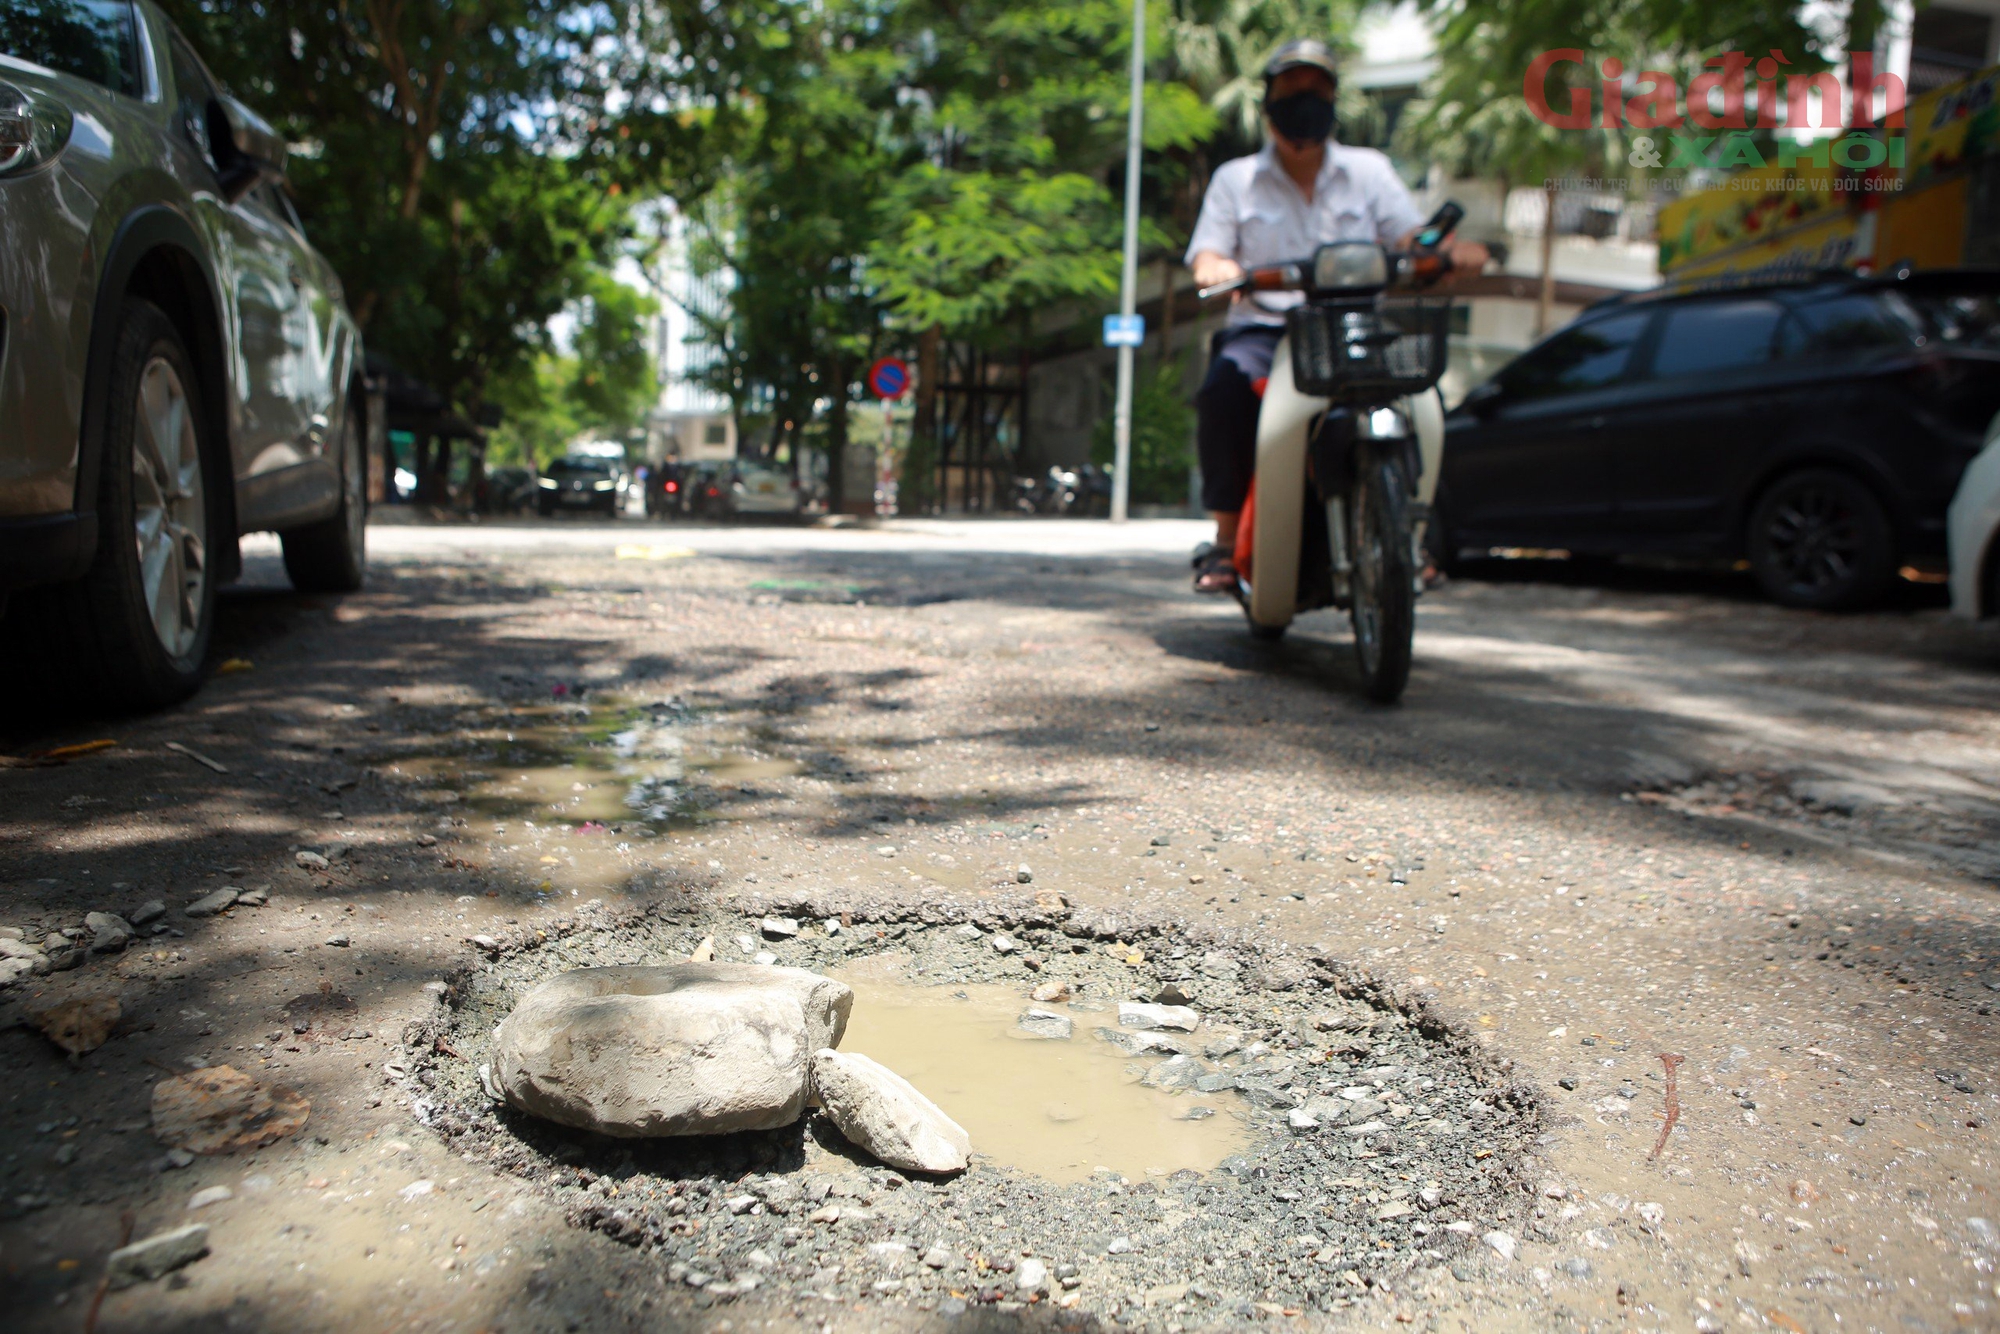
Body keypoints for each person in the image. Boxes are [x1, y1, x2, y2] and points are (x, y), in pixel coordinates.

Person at [1184, 39, 1489, 593]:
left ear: (1334, 100)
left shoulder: (1369, 172)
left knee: (1422, 396)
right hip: (1266, 328)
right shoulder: (1237, 179)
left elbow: (1406, 235)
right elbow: (1208, 252)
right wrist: (1214, 266)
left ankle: (1411, 538)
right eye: (1292, 90)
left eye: (1317, 90)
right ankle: (1226, 543)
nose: (1305, 100)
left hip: (1352, 328)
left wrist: (1447, 254)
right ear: (1269, 101)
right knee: (1221, 390)